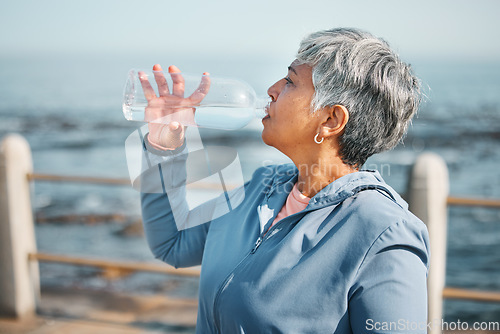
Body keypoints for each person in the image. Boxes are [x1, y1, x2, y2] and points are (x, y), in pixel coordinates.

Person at [136, 27, 429, 333]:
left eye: (290, 81)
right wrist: (164, 148)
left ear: (331, 120)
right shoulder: (262, 189)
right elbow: (173, 242)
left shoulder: (383, 233)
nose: (272, 89)